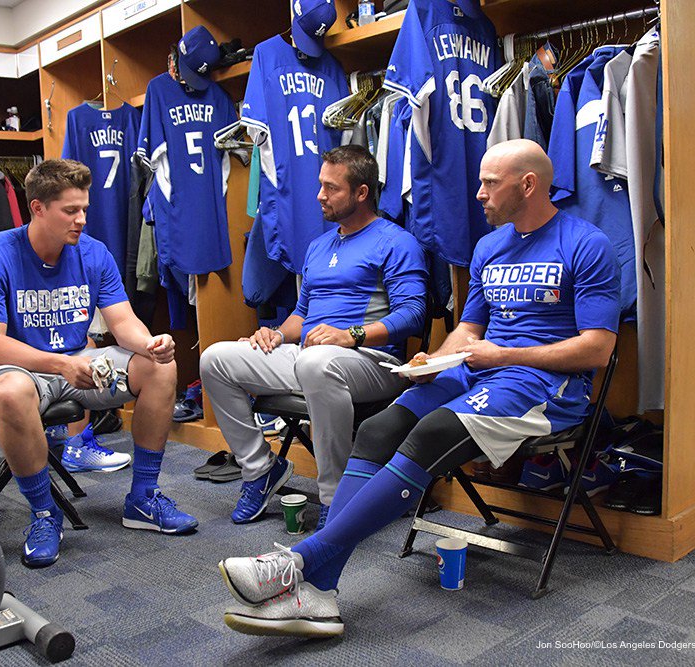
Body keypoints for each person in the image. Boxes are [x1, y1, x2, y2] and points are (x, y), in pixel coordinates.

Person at [216, 139, 621, 637]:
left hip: (542, 384)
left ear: (528, 184)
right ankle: (319, 591)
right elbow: (470, 330)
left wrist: (505, 355)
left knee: (430, 434)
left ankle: (302, 564)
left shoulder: (585, 243)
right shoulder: (490, 246)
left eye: (490, 183)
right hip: (478, 370)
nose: (479, 194)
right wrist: (438, 359)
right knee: (378, 429)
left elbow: (597, 349)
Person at [0, 159, 198, 568]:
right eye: (70, 210)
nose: (81, 219)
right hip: (13, 368)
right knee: (11, 392)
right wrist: (59, 365)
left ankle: (142, 498)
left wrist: (150, 344)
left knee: (160, 368)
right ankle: (45, 515)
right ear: (38, 208)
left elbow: (122, 323)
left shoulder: (93, 253)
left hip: (76, 361)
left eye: (84, 208)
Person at [200, 145, 427, 527]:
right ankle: (260, 470)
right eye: (321, 185)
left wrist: (349, 335)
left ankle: (337, 497)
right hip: (311, 358)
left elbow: (413, 315)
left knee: (315, 363)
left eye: (331, 188)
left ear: (361, 193)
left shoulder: (396, 242)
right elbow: (302, 315)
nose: (320, 196)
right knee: (215, 359)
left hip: (373, 362)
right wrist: (273, 335)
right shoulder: (320, 246)